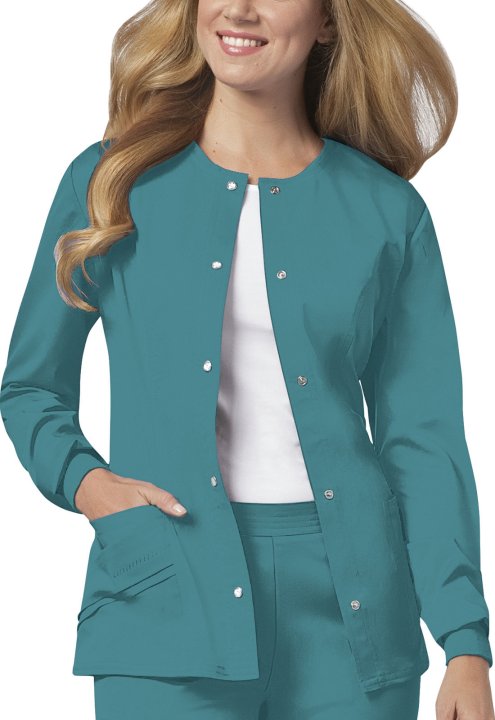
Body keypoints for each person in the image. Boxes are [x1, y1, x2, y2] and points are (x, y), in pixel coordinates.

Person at [1, 0, 493, 718]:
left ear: (329, 19)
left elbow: (423, 438)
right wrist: (88, 484)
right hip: (164, 592)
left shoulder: (388, 212)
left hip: (355, 617)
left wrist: (464, 642)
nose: (239, 8)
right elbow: (31, 386)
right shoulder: (110, 183)